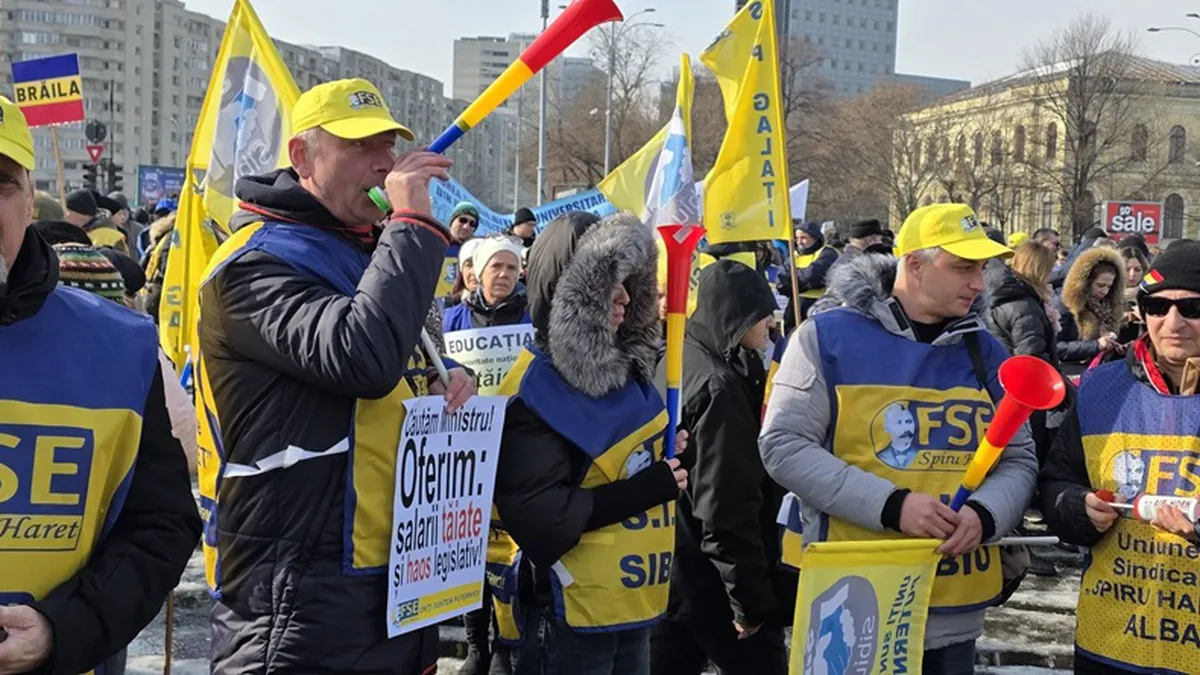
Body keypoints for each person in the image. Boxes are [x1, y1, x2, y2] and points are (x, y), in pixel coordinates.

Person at [196, 78, 475, 673]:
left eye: (389, 145)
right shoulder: (254, 263)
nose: (383, 163)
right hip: (299, 595)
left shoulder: (368, 250)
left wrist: (442, 376)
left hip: (396, 578)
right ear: (302, 157)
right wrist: (412, 226)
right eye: (358, 146)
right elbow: (360, 355)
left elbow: (394, 358)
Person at [760, 203, 1037, 673]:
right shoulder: (826, 337)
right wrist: (893, 506)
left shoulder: (985, 349)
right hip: (854, 604)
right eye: (963, 267)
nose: (978, 283)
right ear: (914, 265)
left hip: (955, 608)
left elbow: (1019, 458)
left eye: (983, 269)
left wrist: (986, 515)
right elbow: (783, 445)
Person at [0, 95, 199, 674]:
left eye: (2, 183)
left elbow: (161, 524)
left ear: (29, 204)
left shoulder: (121, 346)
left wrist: (62, 628)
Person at [491, 212, 688, 675]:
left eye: (628, 282)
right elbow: (540, 517)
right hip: (564, 617)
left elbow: (624, 466)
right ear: (570, 291)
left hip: (628, 611)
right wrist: (647, 488)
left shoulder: (626, 376)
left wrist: (674, 456)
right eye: (607, 283)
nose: (623, 296)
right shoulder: (536, 389)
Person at [1039, 243, 1200, 674]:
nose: (1173, 322)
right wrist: (1076, 508)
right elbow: (1057, 481)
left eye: (1192, 307)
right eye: (1156, 306)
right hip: (1111, 644)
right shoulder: (1101, 388)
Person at [650, 260, 793, 675]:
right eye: (762, 313)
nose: (769, 324)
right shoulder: (718, 388)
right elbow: (726, 507)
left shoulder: (681, 360)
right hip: (713, 583)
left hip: (673, 572)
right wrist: (749, 602)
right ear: (736, 316)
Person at [1058, 246, 1126, 371]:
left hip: (1101, 370)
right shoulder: (1067, 305)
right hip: (1073, 372)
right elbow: (1056, 347)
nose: (1104, 291)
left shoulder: (1109, 307)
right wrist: (1096, 345)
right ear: (1085, 282)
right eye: (1100, 285)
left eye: (1109, 286)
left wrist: (1116, 349)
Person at [444, 236, 530, 331]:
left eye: (512, 268)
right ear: (480, 273)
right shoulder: (453, 319)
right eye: (496, 266)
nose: (504, 274)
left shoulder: (536, 317)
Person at [778, 221, 838, 333]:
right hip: (793, 309)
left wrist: (795, 281)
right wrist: (802, 283)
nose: (799, 242)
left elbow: (813, 276)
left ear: (815, 238)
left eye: (803, 238)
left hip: (818, 307)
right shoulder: (794, 254)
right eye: (797, 238)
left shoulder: (827, 253)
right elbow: (781, 281)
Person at [63, 189, 129, 254]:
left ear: (80, 212)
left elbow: (121, 263)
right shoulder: (74, 234)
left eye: (68, 211)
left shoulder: (109, 237)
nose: (65, 216)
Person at [440, 200, 480, 298]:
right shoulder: (436, 242)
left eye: (472, 224)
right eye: (462, 220)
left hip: (463, 303)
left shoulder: (477, 251)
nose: (466, 226)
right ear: (452, 220)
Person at [1118, 245, 1150, 343]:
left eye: (1137, 270)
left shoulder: (1149, 292)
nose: (1132, 275)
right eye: (1127, 269)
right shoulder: (1105, 292)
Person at [446, 237, 484, 309]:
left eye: (480, 264)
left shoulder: (507, 308)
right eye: (469, 265)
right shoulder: (450, 308)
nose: (474, 272)